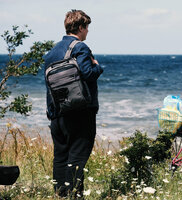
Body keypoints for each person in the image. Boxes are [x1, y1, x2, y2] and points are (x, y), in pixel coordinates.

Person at [43, 10, 103, 198]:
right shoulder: (80, 47)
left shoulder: (52, 52)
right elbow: (87, 73)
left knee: (60, 157)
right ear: (80, 27)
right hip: (80, 113)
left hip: (57, 113)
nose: (87, 32)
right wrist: (98, 66)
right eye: (86, 28)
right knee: (77, 158)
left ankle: (61, 195)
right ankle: (74, 196)